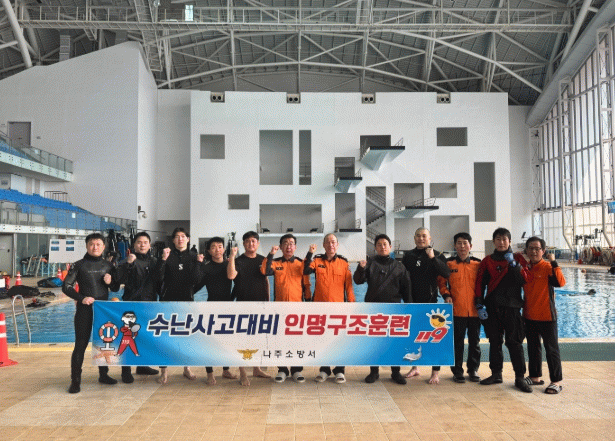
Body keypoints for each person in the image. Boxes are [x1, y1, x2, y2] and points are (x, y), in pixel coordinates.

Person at [475, 227, 532, 393]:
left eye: (504, 239)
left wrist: (514, 265)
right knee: (494, 341)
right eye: (498, 239)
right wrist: (479, 303)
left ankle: (520, 377)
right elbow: (480, 283)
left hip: (512, 307)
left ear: (509, 241)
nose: (501, 242)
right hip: (492, 307)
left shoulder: (518, 259)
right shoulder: (487, 261)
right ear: (494, 242)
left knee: (514, 343)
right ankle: (496, 374)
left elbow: (525, 279)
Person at [63, 233, 120, 394]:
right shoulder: (79, 265)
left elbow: (115, 288)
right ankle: (75, 381)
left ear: (103, 246)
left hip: (102, 310)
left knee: (103, 343)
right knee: (80, 345)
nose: (95, 247)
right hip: (85, 310)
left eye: (98, 244)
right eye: (92, 244)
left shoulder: (108, 266)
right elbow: (66, 286)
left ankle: (104, 375)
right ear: (87, 246)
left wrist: (111, 282)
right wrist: (81, 298)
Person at [353, 234, 411, 385]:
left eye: (385, 244)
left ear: (390, 247)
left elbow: (406, 289)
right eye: (379, 244)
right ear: (375, 248)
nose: (382, 247)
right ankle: (374, 372)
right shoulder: (370, 264)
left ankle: (396, 372)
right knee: (374, 342)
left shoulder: (399, 267)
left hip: (394, 309)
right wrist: (360, 268)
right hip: (374, 309)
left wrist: (409, 307)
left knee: (394, 342)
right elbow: (358, 281)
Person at [304, 233, 355, 384]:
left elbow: (349, 286)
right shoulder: (317, 261)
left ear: (337, 245)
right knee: (322, 340)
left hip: (339, 308)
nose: (331, 245)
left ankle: (339, 370)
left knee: (339, 341)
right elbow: (305, 270)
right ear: (324, 245)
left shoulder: (344, 263)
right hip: (320, 308)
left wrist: (352, 305)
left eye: (333, 242)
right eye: (328, 242)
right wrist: (310, 253)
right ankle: (324, 369)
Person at [402, 227, 451, 384]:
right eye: (418, 236)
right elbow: (403, 278)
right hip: (413, 302)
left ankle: (435, 372)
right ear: (414, 238)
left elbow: (446, 273)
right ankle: (415, 367)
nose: (421, 238)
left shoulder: (437, 254)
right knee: (414, 337)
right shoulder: (408, 256)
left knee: (434, 339)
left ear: (429, 238)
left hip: (431, 303)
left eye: (424, 236)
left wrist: (433, 258)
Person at [261, 233, 311, 383]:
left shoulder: (301, 263)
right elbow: (265, 271)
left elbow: (307, 284)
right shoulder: (275, 263)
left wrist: (308, 304)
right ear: (281, 247)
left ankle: (296, 370)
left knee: (298, 341)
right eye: (286, 243)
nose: (289, 246)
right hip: (280, 309)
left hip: (297, 309)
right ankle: (282, 369)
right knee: (280, 340)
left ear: (295, 247)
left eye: (291, 243)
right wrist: (271, 254)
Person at [157, 227, 204, 384]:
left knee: (187, 336)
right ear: (173, 240)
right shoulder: (167, 256)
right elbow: (158, 278)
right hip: (167, 301)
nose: (180, 239)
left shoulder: (193, 257)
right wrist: (163, 259)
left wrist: (198, 264)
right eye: (177, 236)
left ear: (188, 239)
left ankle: (186, 368)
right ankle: (164, 371)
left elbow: (197, 280)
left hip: (186, 301)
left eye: (183, 236)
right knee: (165, 337)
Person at [116, 231, 163, 383]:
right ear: (134, 245)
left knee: (144, 337)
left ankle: (142, 366)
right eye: (139, 242)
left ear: (149, 245)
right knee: (128, 338)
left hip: (149, 303)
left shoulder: (154, 261)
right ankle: (126, 371)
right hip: (131, 303)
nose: (142, 245)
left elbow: (160, 280)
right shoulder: (127, 260)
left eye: (145, 242)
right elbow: (118, 280)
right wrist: (129, 264)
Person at [522, 237, 566, 394]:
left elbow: (560, 283)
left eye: (537, 248)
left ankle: (556, 381)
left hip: (547, 316)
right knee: (533, 348)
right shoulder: (525, 269)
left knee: (551, 350)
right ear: (526, 251)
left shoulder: (547, 267)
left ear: (543, 251)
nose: (534, 251)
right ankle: (534, 377)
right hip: (529, 315)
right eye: (531, 248)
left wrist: (554, 262)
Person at [227, 231, 271, 386]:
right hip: (243, 305)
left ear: (257, 243)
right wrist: (232, 256)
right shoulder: (239, 260)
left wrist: (268, 302)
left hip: (260, 305)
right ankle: (243, 372)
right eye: (247, 241)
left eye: (253, 241)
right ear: (244, 244)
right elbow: (231, 276)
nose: (251, 244)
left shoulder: (263, 260)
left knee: (258, 338)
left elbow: (266, 280)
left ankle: (256, 369)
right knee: (243, 340)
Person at [437, 232, 482, 383]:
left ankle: (473, 369)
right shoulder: (449, 264)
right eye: (459, 243)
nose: (462, 246)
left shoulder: (478, 264)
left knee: (475, 342)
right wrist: (446, 295)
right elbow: (441, 283)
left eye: (465, 243)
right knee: (457, 343)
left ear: (470, 246)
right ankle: (457, 371)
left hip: (475, 311)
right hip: (457, 310)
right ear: (455, 246)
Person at [195, 237, 238, 385]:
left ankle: (226, 370)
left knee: (226, 341)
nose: (217, 249)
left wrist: (231, 299)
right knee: (209, 342)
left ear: (224, 249)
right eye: (213, 247)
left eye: (220, 246)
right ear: (208, 251)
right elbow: (196, 286)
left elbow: (237, 284)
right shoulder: (206, 267)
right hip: (211, 307)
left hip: (227, 308)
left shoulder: (229, 264)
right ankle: (210, 373)